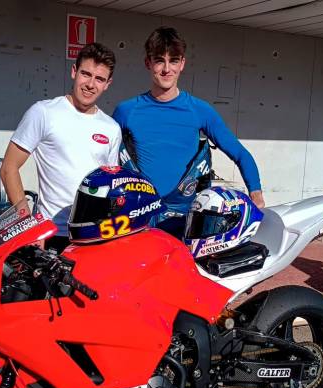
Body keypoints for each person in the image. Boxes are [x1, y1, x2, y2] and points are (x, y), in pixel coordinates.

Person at [112, 26, 264, 238]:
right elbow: (103, 159)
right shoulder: (126, 111)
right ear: (148, 63)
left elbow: (240, 154)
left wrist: (256, 193)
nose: (166, 69)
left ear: (182, 63)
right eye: (159, 60)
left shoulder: (200, 110)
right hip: (138, 219)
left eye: (173, 60)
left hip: (187, 221)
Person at [0, 43, 121, 252]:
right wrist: (27, 225)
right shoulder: (43, 113)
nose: (90, 84)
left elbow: (111, 185)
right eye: (86, 74)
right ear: (74, 72)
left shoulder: (111, 128)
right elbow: (8, 168)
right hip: (52, 234)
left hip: (94, 237)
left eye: (99, 79)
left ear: (107, 84)